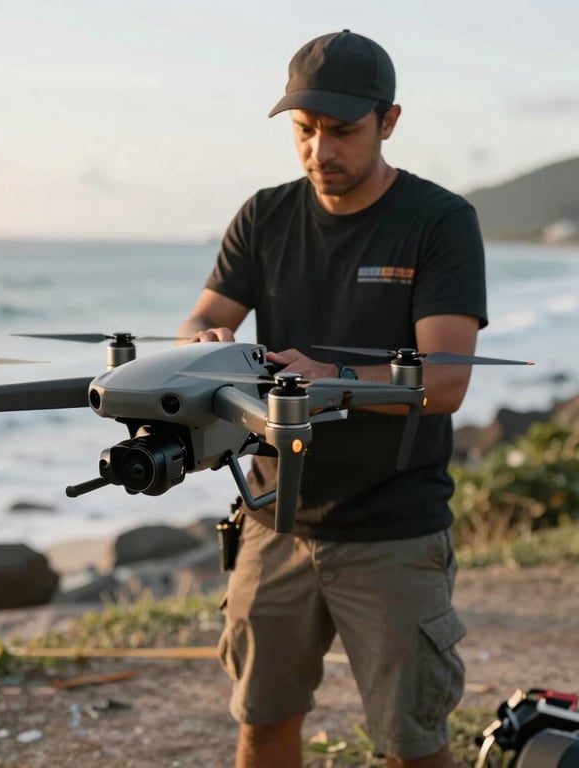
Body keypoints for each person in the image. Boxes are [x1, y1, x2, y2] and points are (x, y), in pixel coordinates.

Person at [177, 30, 488, 768]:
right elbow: (200, 318)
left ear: (390, 120)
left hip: (393, 529)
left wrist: (326, 380)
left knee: (409, 745)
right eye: (305, 131)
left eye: (342, 131)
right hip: (273, 518)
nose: (321, 150)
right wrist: (205, 344)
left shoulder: (438, 222)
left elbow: (445, 382)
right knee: (261, 723)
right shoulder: (264, 216)